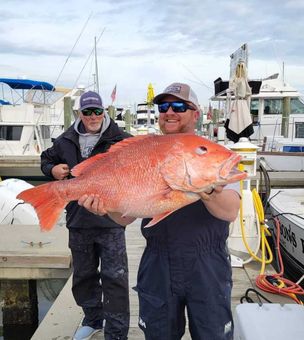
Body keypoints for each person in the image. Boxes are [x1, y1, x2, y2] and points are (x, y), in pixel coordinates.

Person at [79, 83, 241, 340]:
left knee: (213, 334)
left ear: (196, 114)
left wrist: (206, 190)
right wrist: (103, 208)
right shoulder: (144, 149)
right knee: (158, 334)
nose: (170, 112)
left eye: (179, 106)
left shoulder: (213, 154)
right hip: (158, 262)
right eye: (163, 106)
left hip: (207, 264)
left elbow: (230, 210)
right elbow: (125, 217)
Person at [40, 91, 131, 340]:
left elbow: (139, 160)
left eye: (97, 111)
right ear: (79, 113)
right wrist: (52, 169)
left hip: (111, 221)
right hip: (78, 220)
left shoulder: (120, 139)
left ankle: (116, 332)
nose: (93, 116)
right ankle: (92, 320)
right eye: (88, 111)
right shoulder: (65, 140)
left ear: (105, 112)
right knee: (83, 275)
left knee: (115, 277)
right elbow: (45, 159)